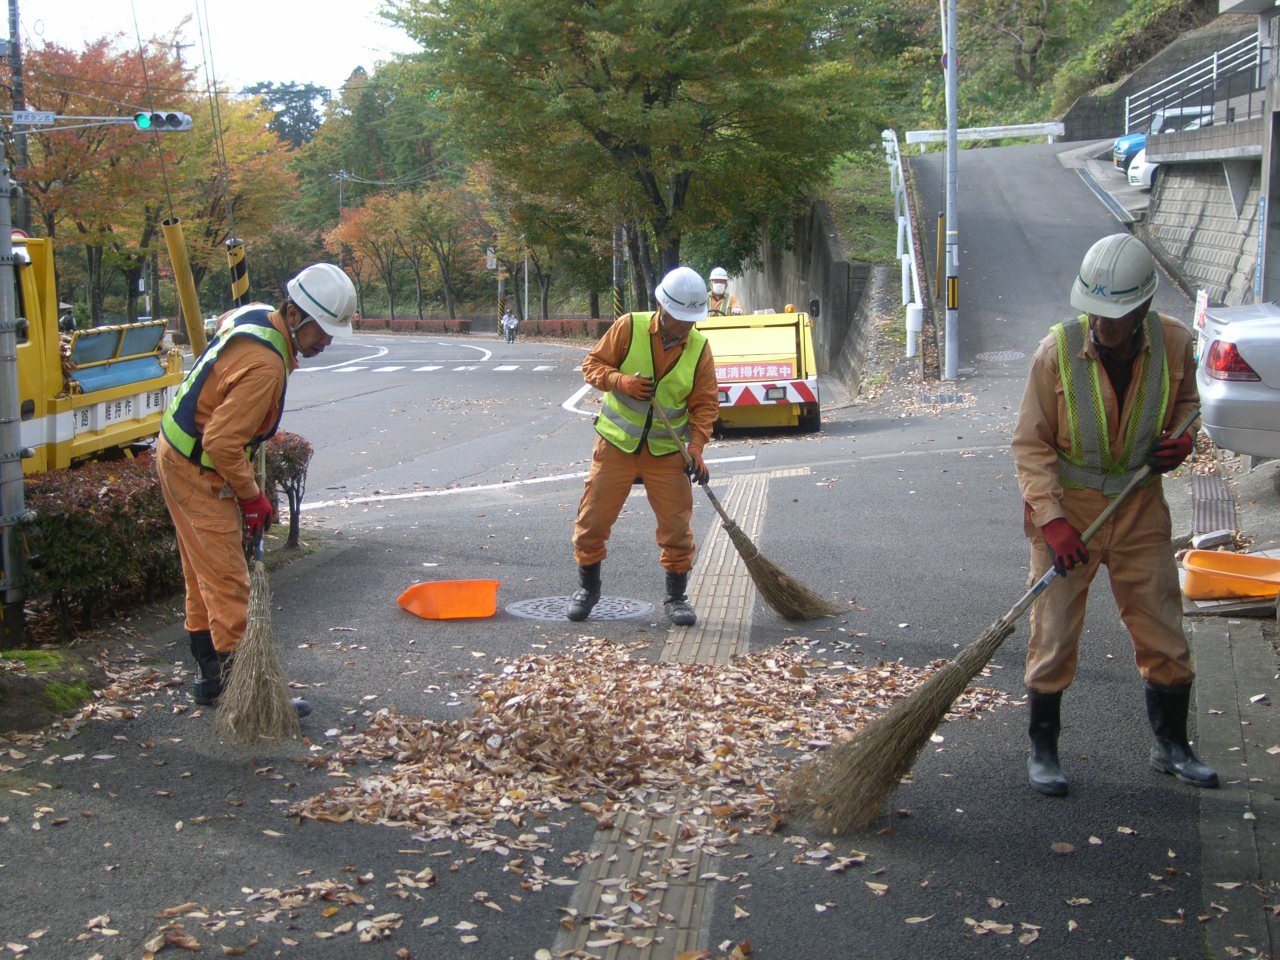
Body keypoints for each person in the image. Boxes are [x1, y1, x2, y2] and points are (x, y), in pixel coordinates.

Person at [1011, 233, 1217, 797]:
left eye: (1115, 316)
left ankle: (1171, 746)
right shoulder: (1056, 353)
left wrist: (1183, 441)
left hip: (1139, 509)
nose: (1102, 326)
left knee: (1163, 630)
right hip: (1069, 515)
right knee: (1052, 635)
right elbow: (1031, 445)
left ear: (1143, 307)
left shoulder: (1174, 343)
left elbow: (1188, 406)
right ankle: (1044, 749)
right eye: (1095, 314)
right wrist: (1051, 520)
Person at [156, 262, 357, 714]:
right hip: (199, 469)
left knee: (201, 572)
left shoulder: (255, 315)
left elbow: (226, 324)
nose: (325, 341)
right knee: (228, 581)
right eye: (321, 331)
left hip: (177, 452)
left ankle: (214, 682)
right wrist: (251, 496)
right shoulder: (266, 366)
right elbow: (222, 442)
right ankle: (247, 694)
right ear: (292, 314)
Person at [566, 265, 719, 626]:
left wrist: (696, 448)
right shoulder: (629, 327)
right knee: (592, 521)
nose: (684, 326)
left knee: (677, 527)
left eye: (690, 320)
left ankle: (676, 596)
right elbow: (592, 366)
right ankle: (588, 589)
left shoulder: (698, 348)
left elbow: (705, 404)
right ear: (662, 306)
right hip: (616, 446)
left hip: (667, 453)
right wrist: (620, 381)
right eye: (679, 317)